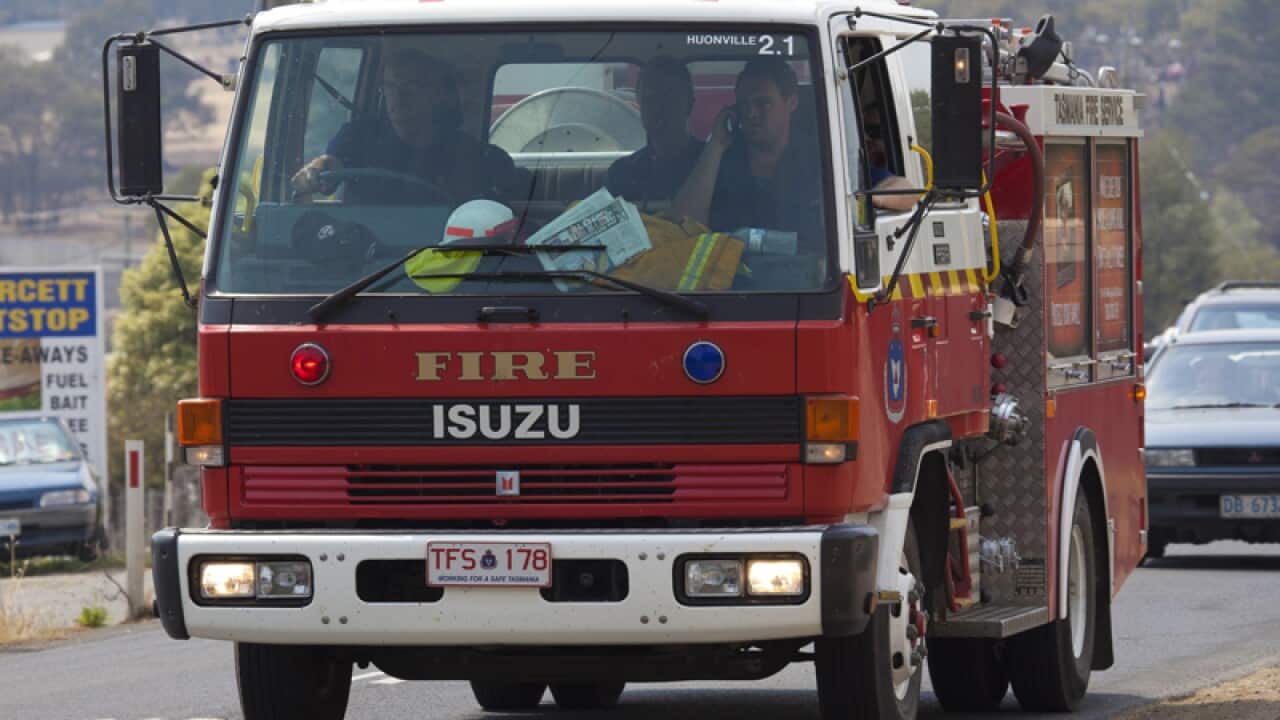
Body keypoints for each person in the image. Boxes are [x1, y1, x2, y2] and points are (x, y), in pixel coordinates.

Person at [291, 49, 526, 205]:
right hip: (361, 267)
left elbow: (512, 213)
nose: (399, 97)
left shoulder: (475, 157)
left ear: (438, 95)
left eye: (412, 86)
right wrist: (316, 171)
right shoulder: (358, 137)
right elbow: (331, 164)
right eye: (390, 86)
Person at [671, 57, 822, 244]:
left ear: (791, 102)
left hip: (802, 271)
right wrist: (716, 145)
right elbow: (681, 225)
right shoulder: (719, 160)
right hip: (727, 270)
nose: (751, 113)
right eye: (744, 104)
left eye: (763, 103)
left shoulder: (819, 160)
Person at [605, 57, 705, 209]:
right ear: (640, 105)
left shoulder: (713, 164)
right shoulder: (621, 173)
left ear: (689, 104)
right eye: (649, 99)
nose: (658, 108)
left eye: (668, 98)